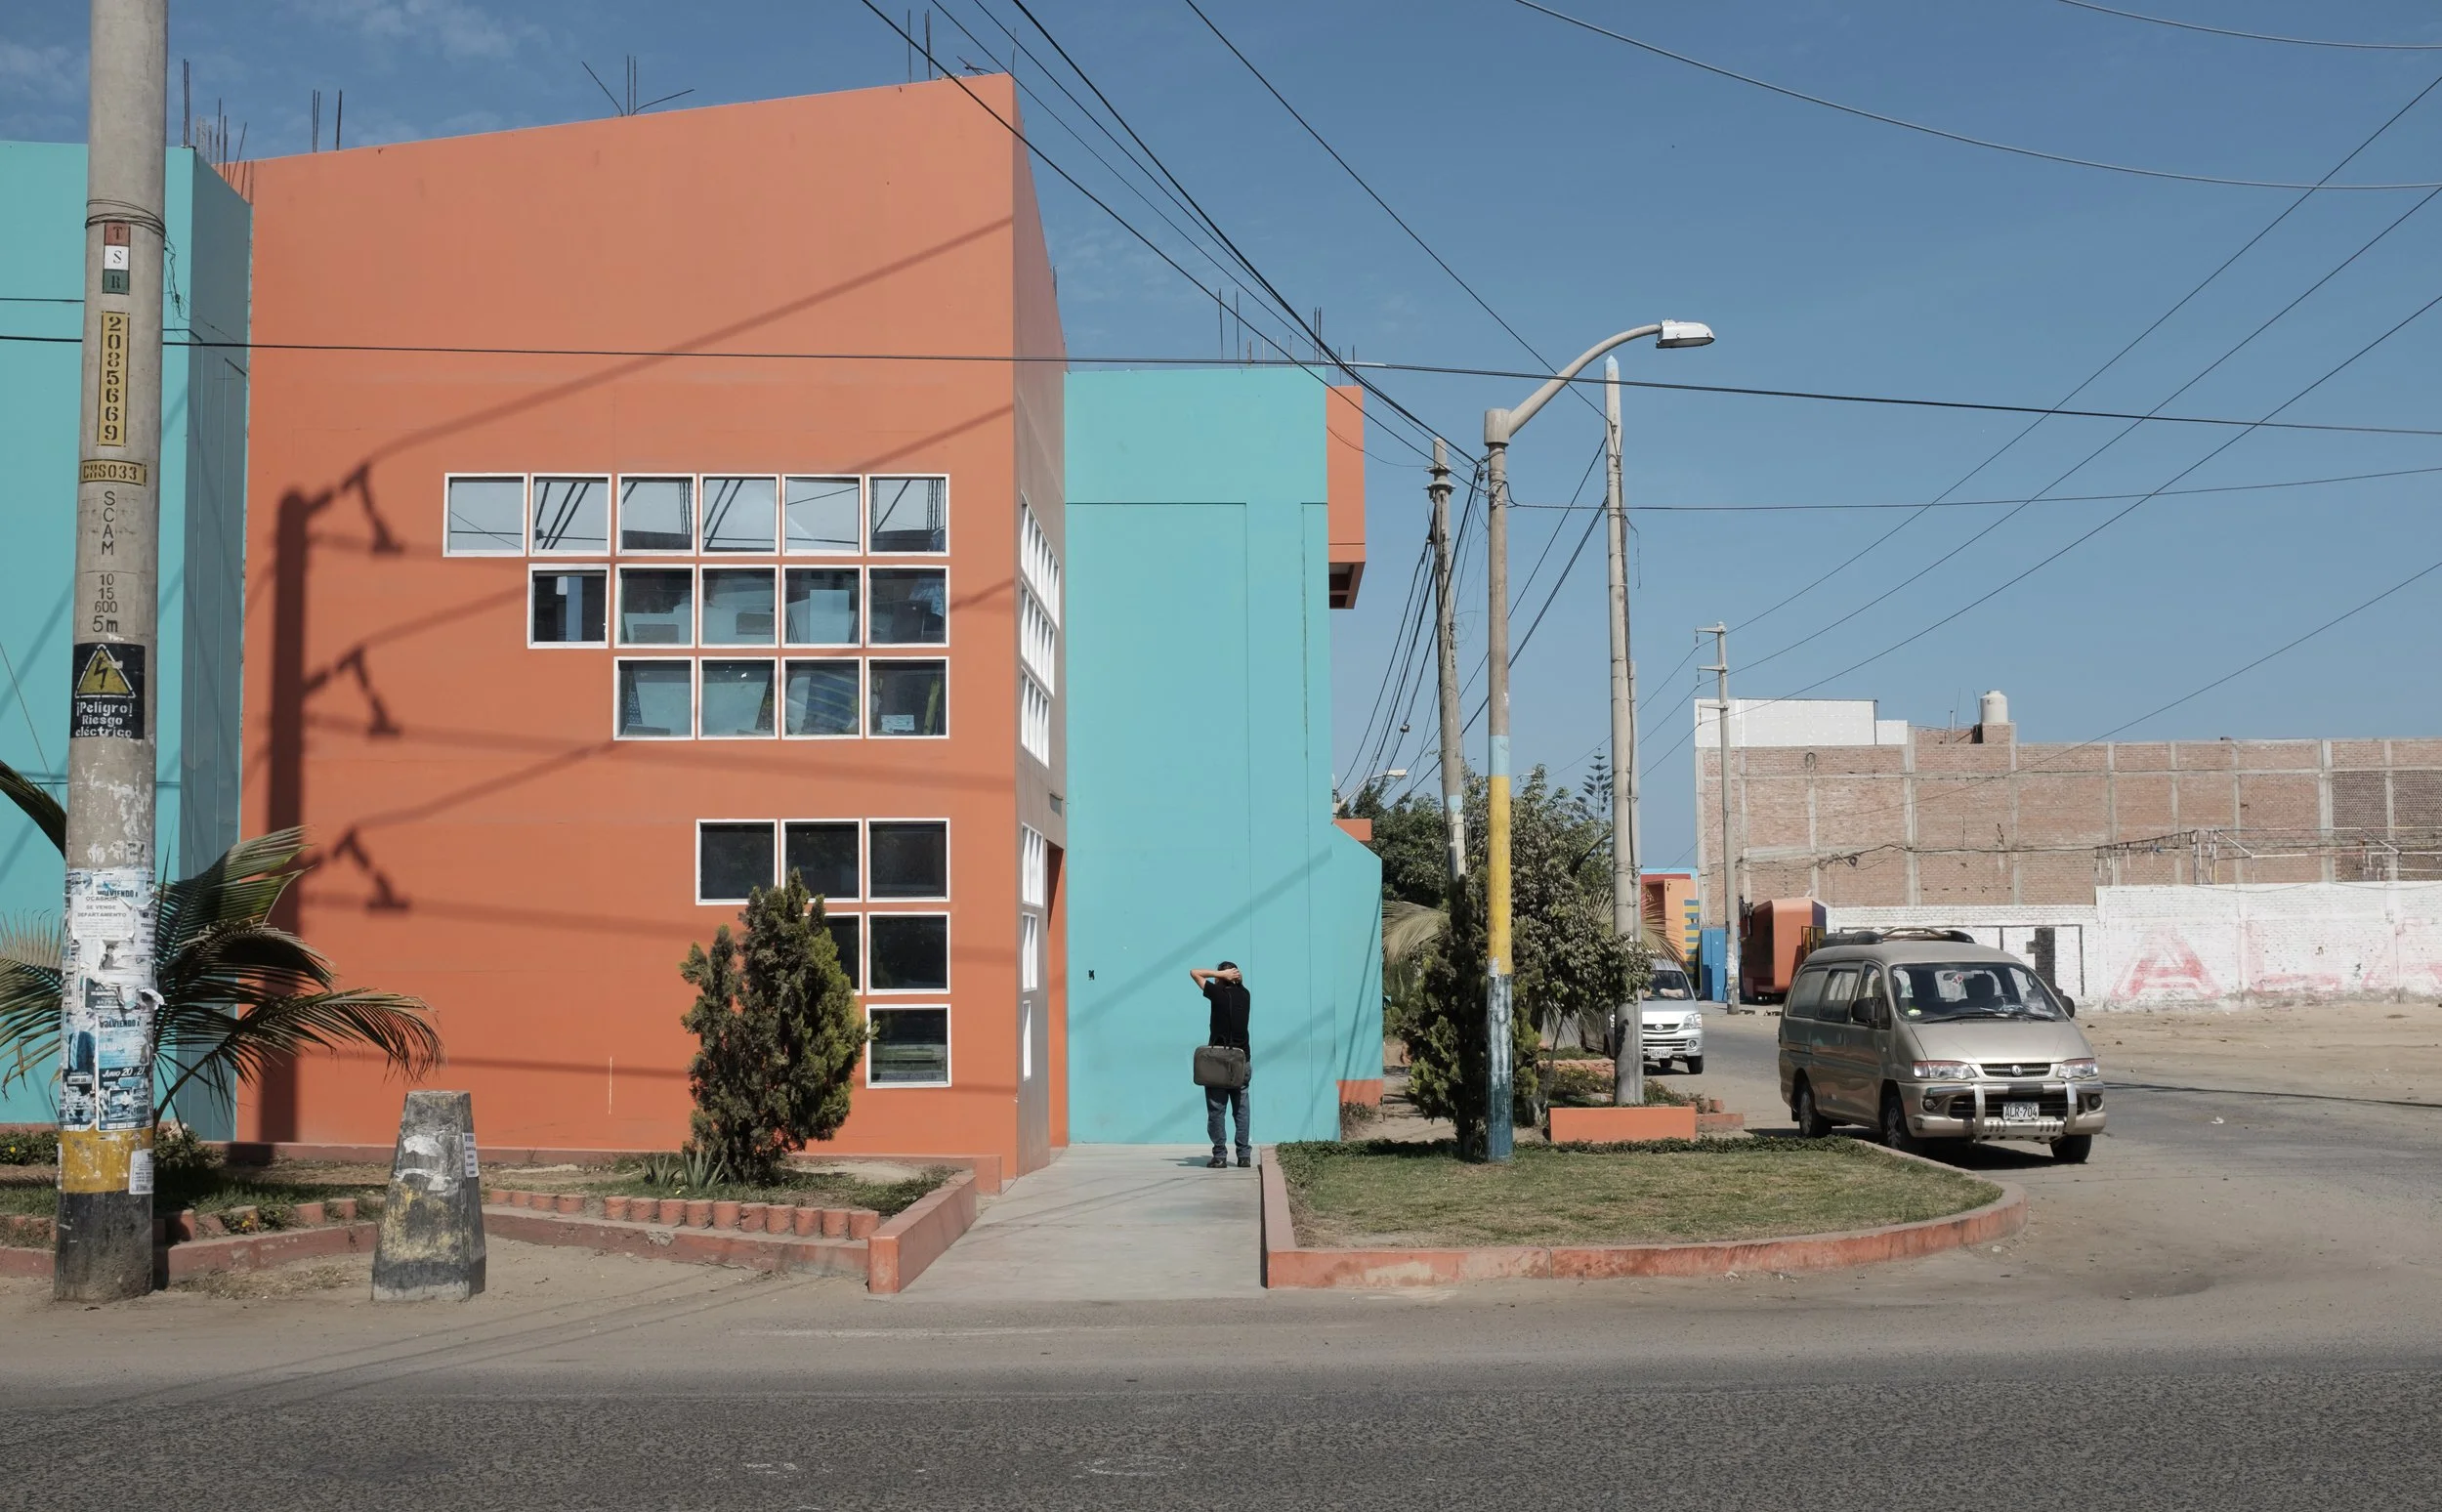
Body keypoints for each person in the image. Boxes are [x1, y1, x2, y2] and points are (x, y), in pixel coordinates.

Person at [1188, 961, 1251, 1168]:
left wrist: (1218, 974)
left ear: (1222, 977)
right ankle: (1244, 1156)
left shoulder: (1217, 994)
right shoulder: (1245, 995)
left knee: (1217, 1110)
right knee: (1241, 1110)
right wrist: (1230, 977)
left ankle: (1220, 1156)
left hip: (1219, 1061)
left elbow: (1194, 972)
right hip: (1242, 1061)